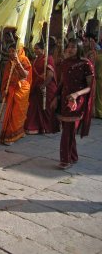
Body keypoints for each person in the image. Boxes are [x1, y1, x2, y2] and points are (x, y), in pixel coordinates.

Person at [52, 38, 95, 169]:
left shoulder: (86, 63)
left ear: (79, 48)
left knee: (68, 131)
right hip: (64, 99)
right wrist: (55, 97)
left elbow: (90, 87)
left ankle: (65, 160)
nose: (69, 49)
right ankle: (74, 156)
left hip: (77, 102)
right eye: (68, 46)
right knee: (67, 129)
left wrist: (76, 94)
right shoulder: (65, 63)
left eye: (73, 47)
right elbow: (62, 83)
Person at [24, 42, 60, 134]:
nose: (35, 50)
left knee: (47, 108)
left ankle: (47, 127)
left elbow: (50, 75)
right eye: (35, 48)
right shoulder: (36, 59)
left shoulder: (49, 59)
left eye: (37, 49)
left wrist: (43, 85)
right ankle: (34, 127)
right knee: (33, 107)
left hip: (47, 88)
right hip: (36, 87)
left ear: (43, 49)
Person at [0, 45, 32, 145]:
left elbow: (25, 75)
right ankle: (16, 132)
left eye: (13, 51)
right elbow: (5, 77)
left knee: (18, 113)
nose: (11, 53)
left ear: (19, 50)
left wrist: (17, 62)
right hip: (11, 89)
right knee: (11, 113)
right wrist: (4, 89)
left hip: (21, 89)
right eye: (9, 51)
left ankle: (13, 135)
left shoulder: (24, 60)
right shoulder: (9, 62)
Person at [95, 47, 102, 118]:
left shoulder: (98, 57)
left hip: (99, 79)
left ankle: (99, 113)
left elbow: (95, 69)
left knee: (99, 97)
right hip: (99, 79)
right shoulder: (98, 57)